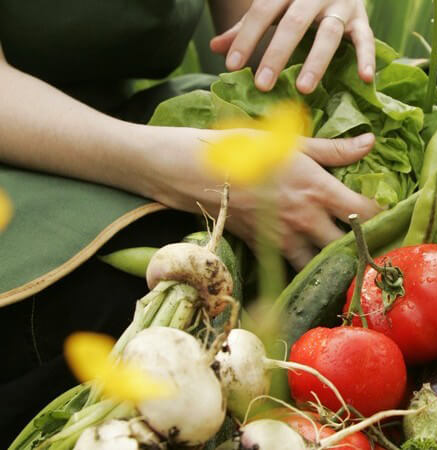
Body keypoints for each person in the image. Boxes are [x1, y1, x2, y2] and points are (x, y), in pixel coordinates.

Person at [0, 0, 380, 444]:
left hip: (129, 123)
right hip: (28, 166)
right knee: (119, 301)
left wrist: (314, 24)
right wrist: (172, 168)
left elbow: (257, 41)